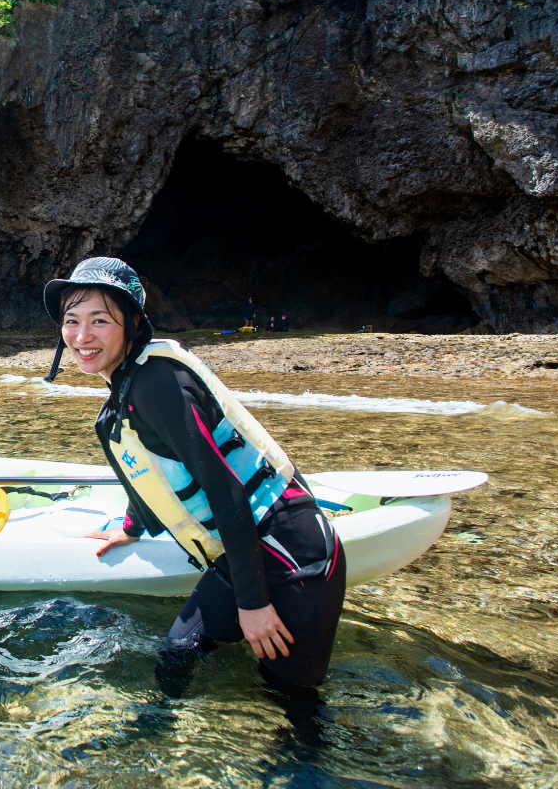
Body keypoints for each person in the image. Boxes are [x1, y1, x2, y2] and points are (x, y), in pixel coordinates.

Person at [42, 257, 345, 694]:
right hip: (246, 551)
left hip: (294, 554)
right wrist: (131, 528)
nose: (82, 336)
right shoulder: (128, 385)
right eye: (72, 321)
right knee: (177, 656)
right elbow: (152, 471)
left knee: (289, 699)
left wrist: (253, 604)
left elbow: (225, 489)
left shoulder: (156, 384)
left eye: (99, 320)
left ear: (133, 323)